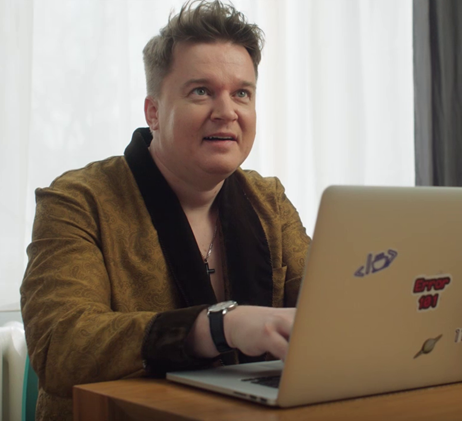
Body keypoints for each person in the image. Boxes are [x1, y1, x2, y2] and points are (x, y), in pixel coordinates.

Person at [20, 1, 311, 419]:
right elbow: (60, 346)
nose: (227, 112)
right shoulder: (77, 201)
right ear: (153, 112)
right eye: (201, 91)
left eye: (241, 93)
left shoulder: (270, 201)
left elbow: (328, 309)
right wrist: (219, 325)